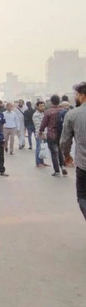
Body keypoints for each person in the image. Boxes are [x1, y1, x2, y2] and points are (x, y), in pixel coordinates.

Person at [60, 82, 86, 220]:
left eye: (76, 94)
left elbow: (65, 140)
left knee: (82, 196)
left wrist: (66, 155)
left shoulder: (72, 114)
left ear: (82, 96)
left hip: (83, 164)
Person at [39, 95, 68, 177]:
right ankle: (62, 166)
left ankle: (57, 171)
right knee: (60, 151)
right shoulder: (63, 111)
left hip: (51, 134)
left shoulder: (48, 112)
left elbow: (44, 123)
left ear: (51, 102)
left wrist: (40, 131)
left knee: (54, 153)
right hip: (61, 134)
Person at [32, 101, 48, 167]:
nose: (42, 107)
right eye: (41, 106)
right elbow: (38, 125)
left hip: (45, 133)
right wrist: (41, 134)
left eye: (43, 106)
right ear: (37, 107)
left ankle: (42, 162)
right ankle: (38, 163)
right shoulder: (36, 115)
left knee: (43, 149)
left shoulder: (44, 113)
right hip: (39, 134)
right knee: (39, 148)